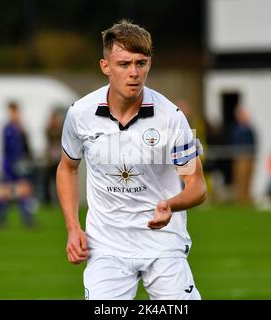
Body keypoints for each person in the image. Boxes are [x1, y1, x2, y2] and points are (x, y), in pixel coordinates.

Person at [56, 20, 207, 300]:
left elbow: (198, 186)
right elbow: (67, 168)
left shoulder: (172, 117)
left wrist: (171, 205)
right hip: (106, 247)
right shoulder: (79, 114)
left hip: (163, 245)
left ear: (150, 64)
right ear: (105, 66)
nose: (134, 73)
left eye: (141, 63)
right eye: (124, 64)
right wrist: (72, 227)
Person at [0, 102, 36, 228]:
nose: (15, 114)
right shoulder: (8, 128)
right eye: (13, 112)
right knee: (5, 191)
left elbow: (25, 146)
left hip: (20, 163)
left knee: (24, 190)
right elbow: (8, 148)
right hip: (10, 164)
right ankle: (1, 220)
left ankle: (27, 219)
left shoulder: (20, 128)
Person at [230, 106, 257, 204]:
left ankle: (247, 198)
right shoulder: (236, 130)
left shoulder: (250, 129)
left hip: (250, 157)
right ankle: (240, 199)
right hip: (240, 158)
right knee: (241, 179)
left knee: (249, 179)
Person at [43, 109, 64, 205]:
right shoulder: (49, 129)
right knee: (48, 180)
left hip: (59, 158)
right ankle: (48, 200)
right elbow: (49, 136)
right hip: (51, 159)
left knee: (59, 181)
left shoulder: (61, 130)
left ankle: (59, 200)